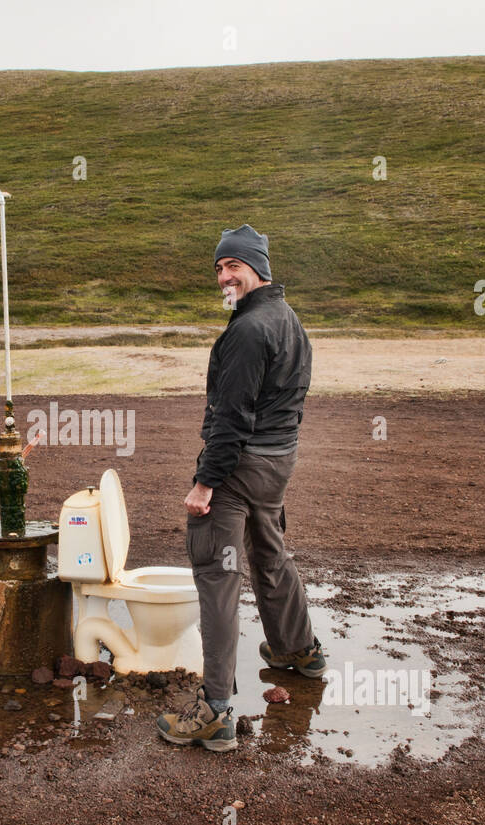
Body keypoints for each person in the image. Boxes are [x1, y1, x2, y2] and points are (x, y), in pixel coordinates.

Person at [156, 224, 324, 752]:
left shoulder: (249, 331)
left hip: (239, 467)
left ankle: (216, 710)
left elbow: (230, 418)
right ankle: (297, 651)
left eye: (233, 266)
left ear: (258, 268)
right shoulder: (288, 319)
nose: (224, 276)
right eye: (219, 269)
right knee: (269, 553)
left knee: (217, 573)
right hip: (278, 463)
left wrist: (206, 485)